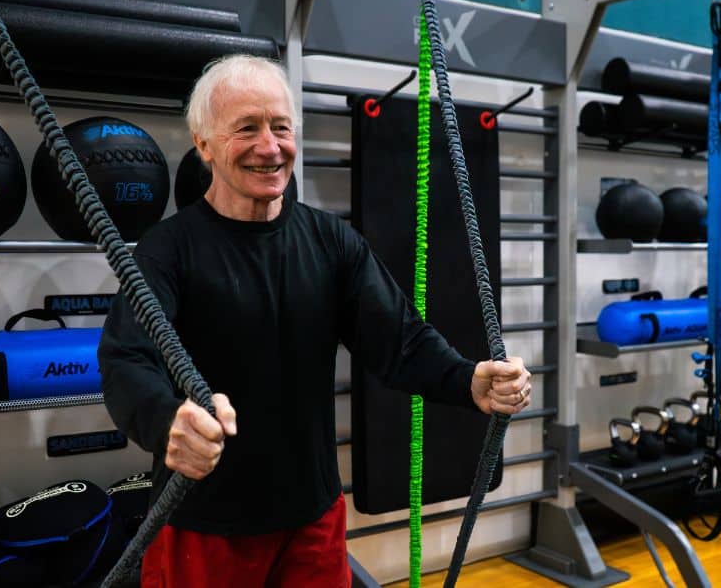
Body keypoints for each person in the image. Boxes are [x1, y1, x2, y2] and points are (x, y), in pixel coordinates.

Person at [98, 53, 533, 588]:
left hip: (312, 517)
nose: (269, 146)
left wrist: (468, 379)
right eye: (247, 129)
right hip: (204, 525)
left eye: (280, 127)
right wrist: (166, 419)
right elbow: (126, 359)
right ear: (204, 144)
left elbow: (399, 341)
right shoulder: (168, 250)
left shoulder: (332, 242)